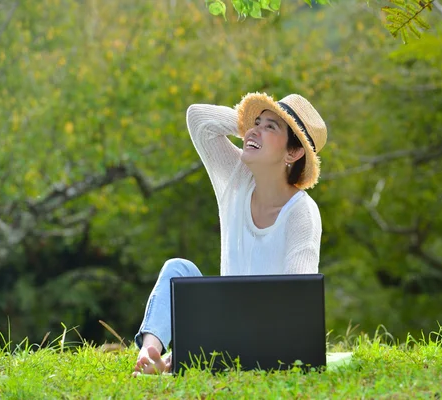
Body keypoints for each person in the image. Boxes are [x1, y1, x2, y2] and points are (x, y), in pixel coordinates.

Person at [132, 92, 328, 376]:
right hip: (220, 326)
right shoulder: (236, 178)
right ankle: (150, 354)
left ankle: (184, 356)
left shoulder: (302, 213)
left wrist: (256, 134)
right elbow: (198, 118)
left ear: (293, 153)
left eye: (270, 126)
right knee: (178, 268)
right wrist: (252, 131)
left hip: (267, 340)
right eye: (256, 122)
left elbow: (298, 299)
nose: (255, 129)